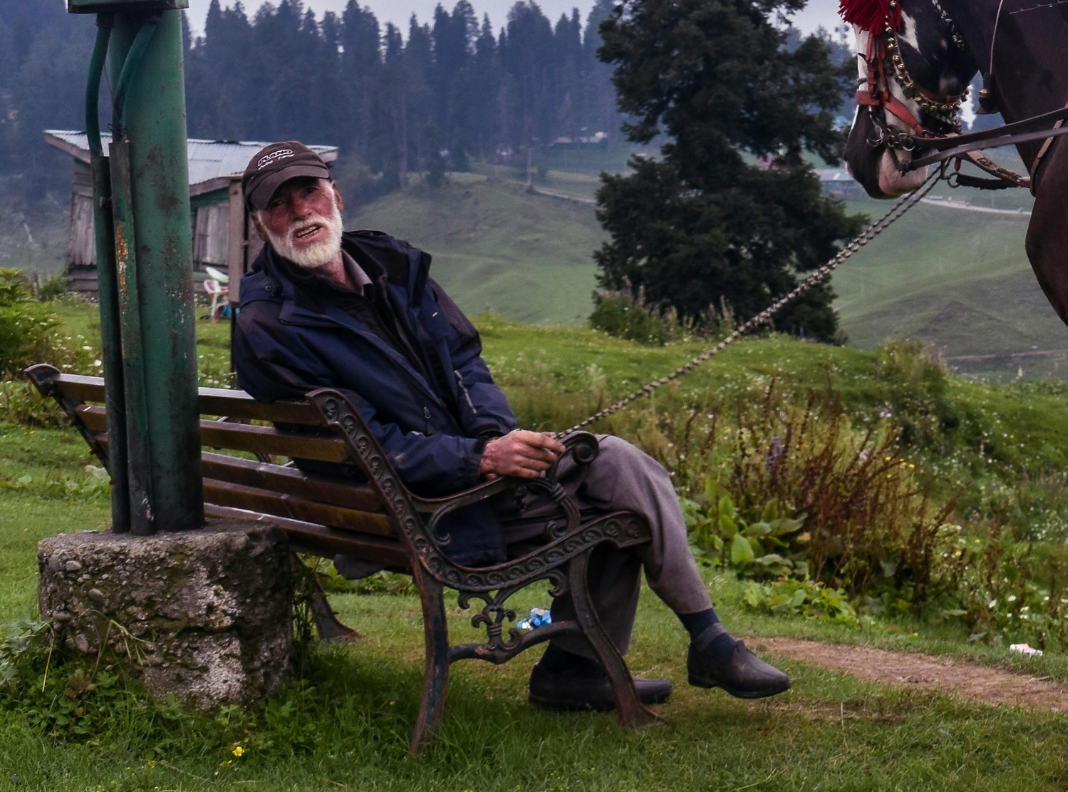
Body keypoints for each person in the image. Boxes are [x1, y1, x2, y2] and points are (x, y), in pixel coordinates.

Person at [229, 141, 788, 710]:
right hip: (417, 510)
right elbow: (356, 450)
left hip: (461, 480)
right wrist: (480, 460)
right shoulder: (268, 324)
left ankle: (622, 662)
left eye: (309, 192)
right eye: (280, 204)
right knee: (616, 485)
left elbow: (465, 360)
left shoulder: (391, 266)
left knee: (615, 467)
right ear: (259, 223)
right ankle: (663, 652)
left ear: (336, 196)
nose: (301, 212)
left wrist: (493, 438)